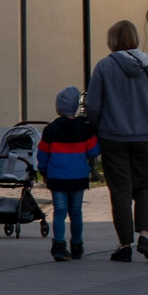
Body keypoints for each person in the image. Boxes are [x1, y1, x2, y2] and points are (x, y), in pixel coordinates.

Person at [87, 20, 148, 262]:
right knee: (146, 185)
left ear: (112, 40)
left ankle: (124, 245)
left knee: (120, 190)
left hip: (113, 137)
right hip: (147, 137)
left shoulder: (103, 67)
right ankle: (146, 235)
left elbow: (93, 106)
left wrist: (101, 125)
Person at [35, 86, 100, 262]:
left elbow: (42, 154)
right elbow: (94, 152)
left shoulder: (50, 130)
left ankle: (58, 245)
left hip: (57, 176)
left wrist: (43, 170)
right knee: (76, 211)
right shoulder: (84, 129)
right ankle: (77, 244)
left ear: (58, 107)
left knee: (59, 211)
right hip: (78, 176)